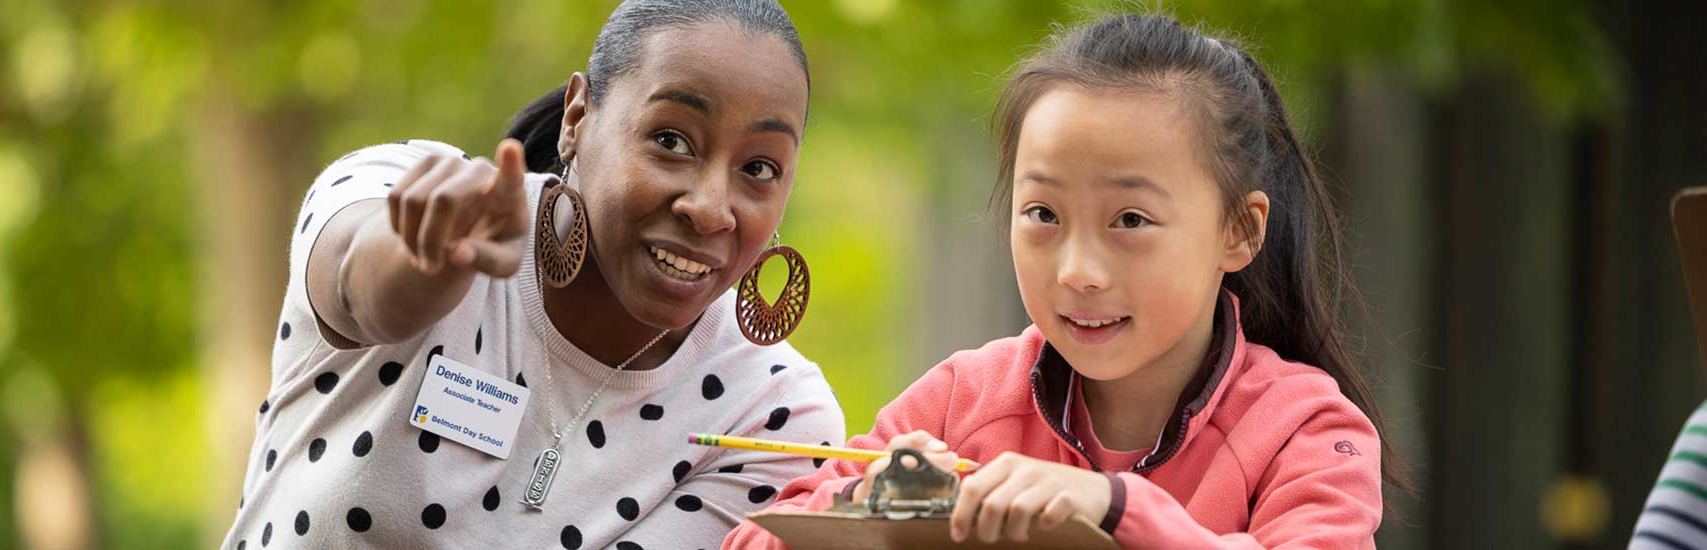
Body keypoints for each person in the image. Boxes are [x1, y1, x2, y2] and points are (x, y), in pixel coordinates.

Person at [725, 14, 1408, 549]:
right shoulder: (960, 404)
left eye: (1131, 219)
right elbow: (754, 539)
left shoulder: (1305, 431)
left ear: (1239, 230)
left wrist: (1114, 511)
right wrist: (865, 508)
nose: (1078, 270)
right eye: (1043, 213)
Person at [223, 1, 843, 547]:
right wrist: (421, 272)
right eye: (672, 140)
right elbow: (360, 287)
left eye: (759, 168)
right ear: (578, 117)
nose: (709, 208)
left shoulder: (773, 418)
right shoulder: (410, 192)